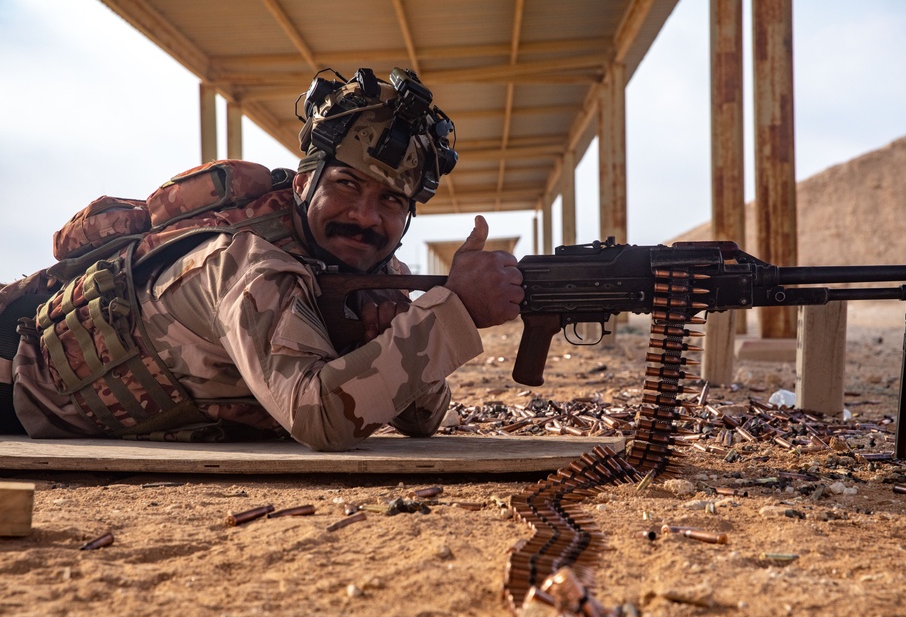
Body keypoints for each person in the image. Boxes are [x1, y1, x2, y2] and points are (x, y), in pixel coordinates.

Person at [7, 68, 525, 450]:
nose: (365, 217)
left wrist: (388, 335)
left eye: (391, 200)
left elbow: (422, 420)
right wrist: (455, 311)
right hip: (15, 390)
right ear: (304, 184)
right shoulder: (243, 265)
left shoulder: (373, 274)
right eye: (347, 185)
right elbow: (320, 416)